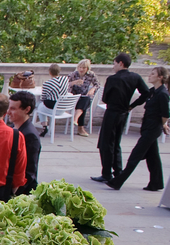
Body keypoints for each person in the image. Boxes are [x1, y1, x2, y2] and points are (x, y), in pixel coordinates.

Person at [108, 66, 169, 192]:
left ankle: (117, 181)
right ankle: (156, 183)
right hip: (147, 126)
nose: (149, 75)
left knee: (135, 155)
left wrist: (163, 124)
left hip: (152, 128)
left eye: (153, 74)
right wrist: (131, 106)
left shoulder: (162, 94)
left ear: (160, 77)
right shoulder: (153, 91)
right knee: (153, 157)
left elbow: (165, 114)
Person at [93, 53, 150, 183]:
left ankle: (106, 173)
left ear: (120, 63)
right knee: (116, 143)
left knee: (105, 143)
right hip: (124, 112)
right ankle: (117, 170)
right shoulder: (135, 77)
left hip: (112, 112)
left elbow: (105, 98)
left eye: (114, 63)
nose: (113, 67)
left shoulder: (113, 79)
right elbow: (146, 92)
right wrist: (132, 105)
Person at [7, 91, 41, 195]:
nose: (8, 112)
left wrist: (13, 192)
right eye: (9, 107)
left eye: (13, 108)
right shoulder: (13, 128)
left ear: (27, 110)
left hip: (22, 192)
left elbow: (29, 172)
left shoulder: (30, 135)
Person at [68, 59, 98, 137]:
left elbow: (97, 84)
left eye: (83, 68)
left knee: (86, 99)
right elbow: (65, 84)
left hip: (83, 97)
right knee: (84, 103)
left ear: (87, 69)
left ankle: (75, 120)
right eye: (80, 67)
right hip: (73, 97)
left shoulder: (91, 75)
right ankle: (80, 128)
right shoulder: (73, 74)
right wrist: (74, 83)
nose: (81, 69)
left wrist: (93, 89)